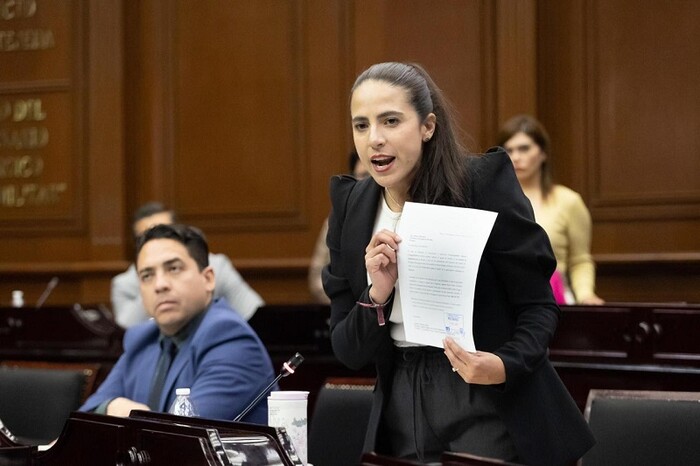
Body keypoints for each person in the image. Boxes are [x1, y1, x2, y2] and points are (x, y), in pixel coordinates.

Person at [322, 62, 594, 465]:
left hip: (484, 393)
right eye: (361, 126)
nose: (374, 139)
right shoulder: (352, 205)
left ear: (428, 126)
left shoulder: (481, 184)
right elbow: (348, 350)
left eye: (391, 121)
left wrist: (503, 365)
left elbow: (538, 306)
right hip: (400, 393)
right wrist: (377, 294)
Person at [81, 223, 276, 424]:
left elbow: (179, 437)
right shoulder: (142, 339)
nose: (160, 285)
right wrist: (110, 406)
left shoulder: (231, 340)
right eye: (147, 275)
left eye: (173, 268)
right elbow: (87, 416)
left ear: (208, 279)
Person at [496, 115, 604, 305]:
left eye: (524, 148)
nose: (516, 157)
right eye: (509, 150)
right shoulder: (493, 199)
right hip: (503, 302)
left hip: (554, 301)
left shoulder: (568, 201)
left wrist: (586, 296)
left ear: (543, 153)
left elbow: (580, 260)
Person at [111, 202, 264, 328]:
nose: (158, 242)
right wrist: (151, 279)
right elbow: (128, 328)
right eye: (147, 237)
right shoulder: (124, 283)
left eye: (166, 232)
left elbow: (253, 312)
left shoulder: (216, 266)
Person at [308, 151, 369, 304]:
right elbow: (317, 278)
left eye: (371, 177)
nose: (367, 184)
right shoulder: (337, 220)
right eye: (361, 176)